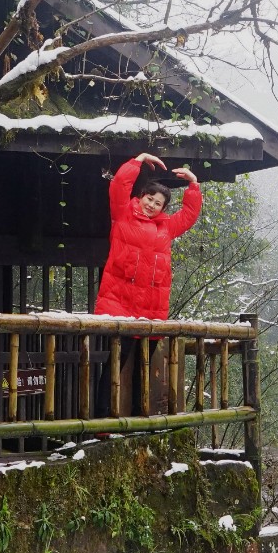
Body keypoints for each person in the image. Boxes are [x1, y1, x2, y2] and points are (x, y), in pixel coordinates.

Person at [94, 152, 201, 416]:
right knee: (114, 364)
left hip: (152, 309)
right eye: (149, 199)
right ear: (140, 196)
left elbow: (188, 215)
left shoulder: (166, 227)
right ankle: (100, 420)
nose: (152, 205)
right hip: (119, 303)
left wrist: (193, 185)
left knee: (144, 367)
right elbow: (119, 186)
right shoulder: (123, 215)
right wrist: (138, 160)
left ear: (164, 208)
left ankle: (139, 420)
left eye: (158, 203)